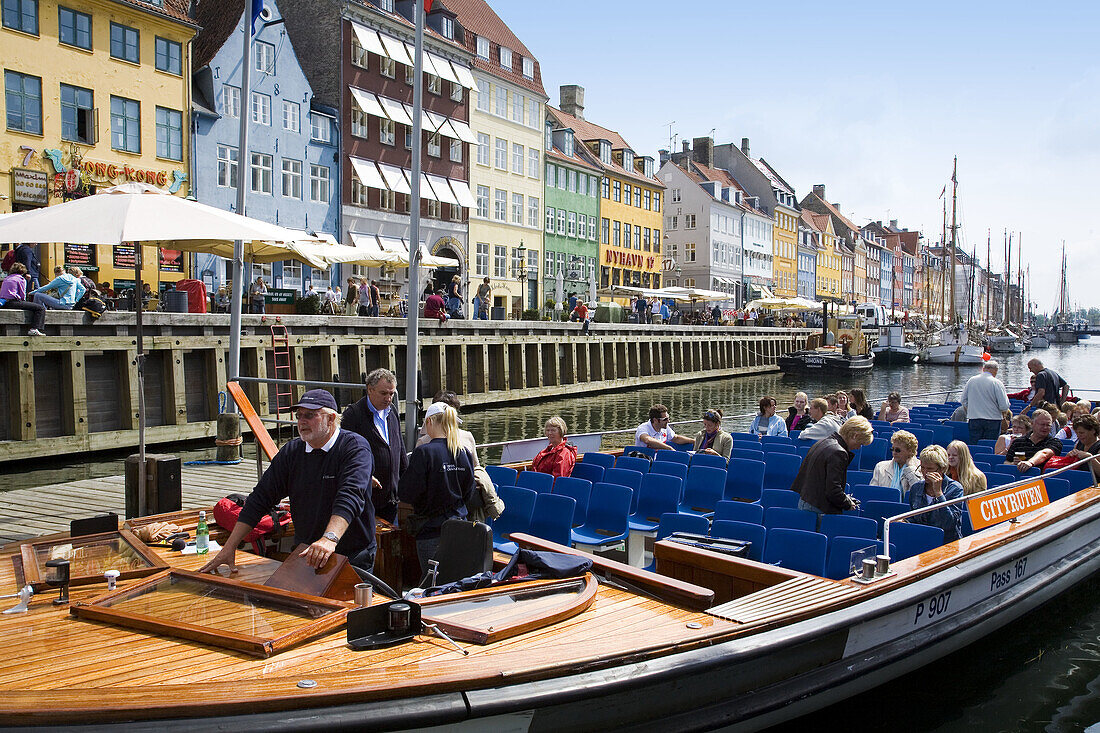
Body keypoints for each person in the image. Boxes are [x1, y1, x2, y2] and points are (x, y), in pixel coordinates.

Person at [199, 389, 377, 575]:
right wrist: (229, 548)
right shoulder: (292, 452)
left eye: (310, 415)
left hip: (352, 555)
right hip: (307, 554)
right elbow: (260, 499)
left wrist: (328, 539)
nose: (302, 422)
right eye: (299, 416)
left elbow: (350, 497)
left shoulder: (355, 448)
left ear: (331, 419)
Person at [398, 402, 476, 575]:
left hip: (430, 529)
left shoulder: (424, 452)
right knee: (455, 579)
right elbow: (469, 491)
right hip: (458, 528)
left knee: (432, 582)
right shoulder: (463, 452)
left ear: (430, 422)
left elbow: (406, 492)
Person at [341, 368, 407, 525]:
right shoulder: (354, 415)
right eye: (384, 393)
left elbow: (400, 448)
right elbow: (343, 454)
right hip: (367, 498)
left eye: (391, 394)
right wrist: (364, 475)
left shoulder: (392, 413)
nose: (388, 398)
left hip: (391, 497)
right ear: (370, 390)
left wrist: (406, 477)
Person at [792, 416, 875, 523]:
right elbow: (833, 490)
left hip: (806, 501)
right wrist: (847, 503)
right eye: (860, 443)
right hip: (820, 508)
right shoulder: (838, 453)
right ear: (854, 436)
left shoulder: (822, 442)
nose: (858, 447)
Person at [907, 445, 965, 543]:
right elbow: (914, 518)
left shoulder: (955, 489)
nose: (925, 473)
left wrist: (939, 494)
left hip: (946, 543)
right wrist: (905, 522)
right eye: (922, 467)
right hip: (922, 540)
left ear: (942, 469)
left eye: (930, 469)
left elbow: (949, 523)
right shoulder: (916, 488)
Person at [960, 360, 1010, 443]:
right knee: (989, 445)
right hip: (993, 419)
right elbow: (1004, 405)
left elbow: (963, 400)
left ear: (984, 369)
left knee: (975, 445)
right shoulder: (996, 383)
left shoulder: (971, 380)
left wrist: (970, 411)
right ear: (995, 370)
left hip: (974, 419)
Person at [0, 262, 47, 335]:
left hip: (5, 303)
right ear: (22, 271)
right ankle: (34, 328)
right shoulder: (21, 279)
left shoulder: (6, 278)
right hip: (13, 302)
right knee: (40, 308)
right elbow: (22, 295)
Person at [871, 430, 922, 496]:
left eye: (898, 450)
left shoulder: (921, 467)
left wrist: (911, 469)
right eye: (892, 449)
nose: (894, 453)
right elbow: (872, 492)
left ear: (910, 451)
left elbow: (919, 492)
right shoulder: (880, 467)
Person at [1067, 413, 1100, 481]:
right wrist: (1070, 455)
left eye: (1081, 433)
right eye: (1077, 433)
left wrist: (1090, 457)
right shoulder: (1079, 444)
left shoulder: (1098, 446)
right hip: (1079, 481)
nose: (1078, 436)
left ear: (1093, 431)